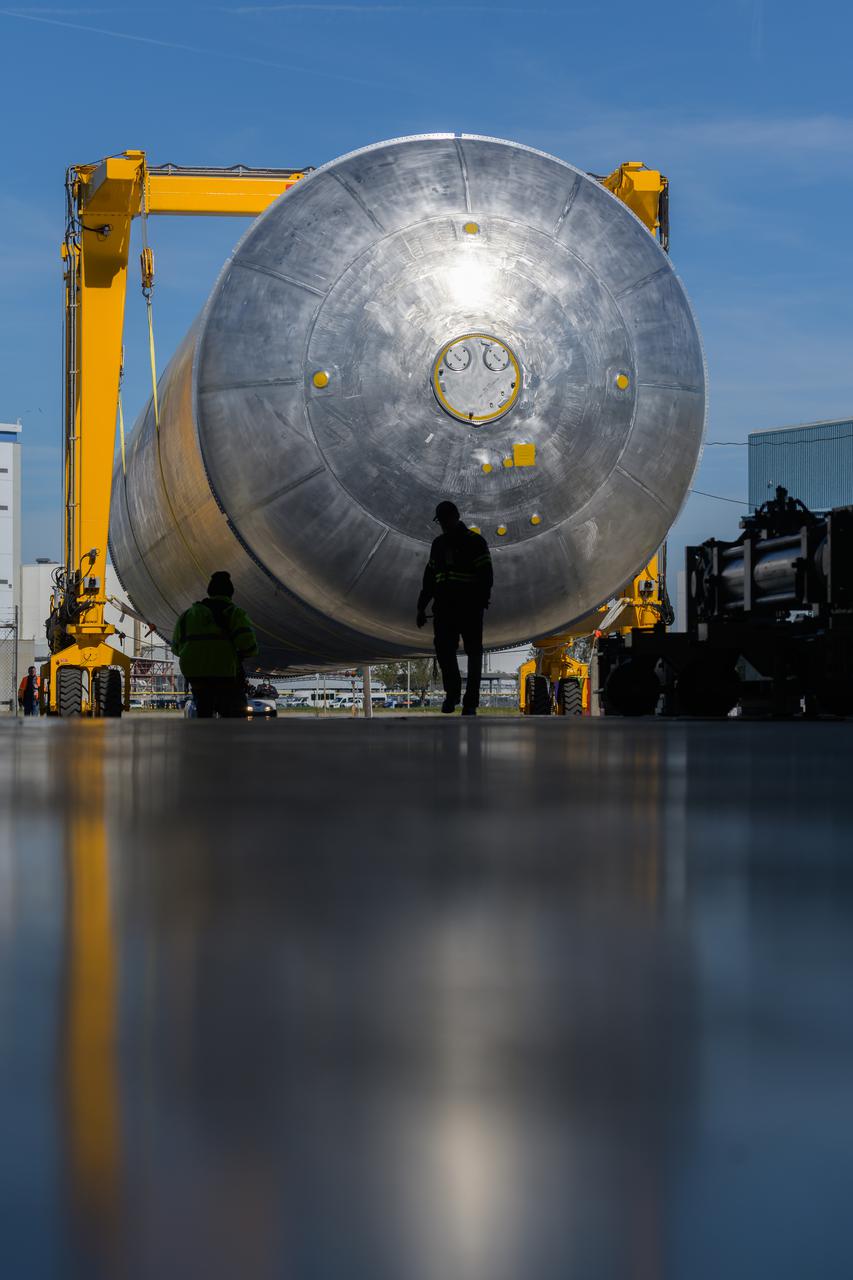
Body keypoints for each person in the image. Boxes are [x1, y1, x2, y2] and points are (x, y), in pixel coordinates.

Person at [417, 500, 493, 716]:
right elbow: (429, 579)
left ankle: (470, 702)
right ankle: (452, 694)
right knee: (444, 652)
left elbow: (486, 575)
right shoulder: (438, 545)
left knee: (474, 653)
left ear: (456, 517)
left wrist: (481, 601)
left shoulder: (475, 542)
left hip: (469, 608)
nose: (443, 524)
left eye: (445, 520)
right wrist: (421, 608)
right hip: (444, 609)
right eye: (441, 521)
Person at [171, 571, 259, 719]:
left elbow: (175, 648)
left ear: (209, 592)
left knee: (203, 706)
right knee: (234, 710)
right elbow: (249, 647)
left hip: (195, 674)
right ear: (231, 593)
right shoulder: (235, 614)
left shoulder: (187, 615)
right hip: (224, 674)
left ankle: (204, 721)